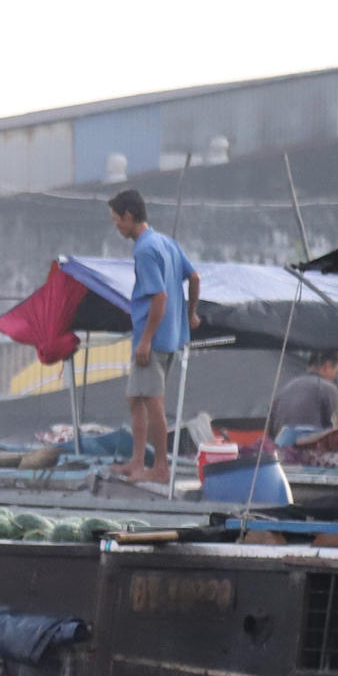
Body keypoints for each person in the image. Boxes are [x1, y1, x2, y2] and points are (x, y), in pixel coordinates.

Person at [110, 188, 201, 484]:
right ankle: (137, 462)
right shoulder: (166, 243)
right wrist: (190, 316)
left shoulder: (146, 249)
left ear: (128, 216)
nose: (116, 226)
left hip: (154, 338)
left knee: (152, 401)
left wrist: (146, 339)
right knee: (135, 398)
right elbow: (194, 277)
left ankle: (160, 467)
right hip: (170, 335)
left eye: (117, 220)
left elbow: (159, 296)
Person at [266, 351, 338, 448]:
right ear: (327, 366)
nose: (335, 376)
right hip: (310, 456)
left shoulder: (285, 388)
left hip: (281, 455)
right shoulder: (329, 389)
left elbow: (270, 433)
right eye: (336, 371)